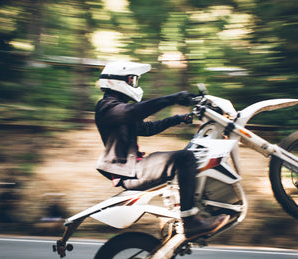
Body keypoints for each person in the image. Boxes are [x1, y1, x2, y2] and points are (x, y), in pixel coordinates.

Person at [95, 61, 229, 240]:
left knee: (193, 153)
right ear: (117, 81)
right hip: (131, 172)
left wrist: (180, 118)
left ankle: (192, 210)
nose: (135, 85)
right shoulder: (107, 107)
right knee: (186, 158)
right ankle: (190, 221)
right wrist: (172, 98)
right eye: (132, 80)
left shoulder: (119, 108)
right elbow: (133, 112)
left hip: (135, 168)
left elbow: (147, 128)